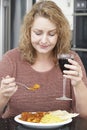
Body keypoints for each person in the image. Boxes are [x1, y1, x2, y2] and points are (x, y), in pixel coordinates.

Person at [0, 0, 87, 130]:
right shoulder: (11, 59)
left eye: (51, 34)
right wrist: (3, 96)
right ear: (28, 31)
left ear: (60, 34)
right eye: (38, 33)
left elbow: (84, 114)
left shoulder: (71, 59)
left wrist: (78, 84)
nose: (44, 40)